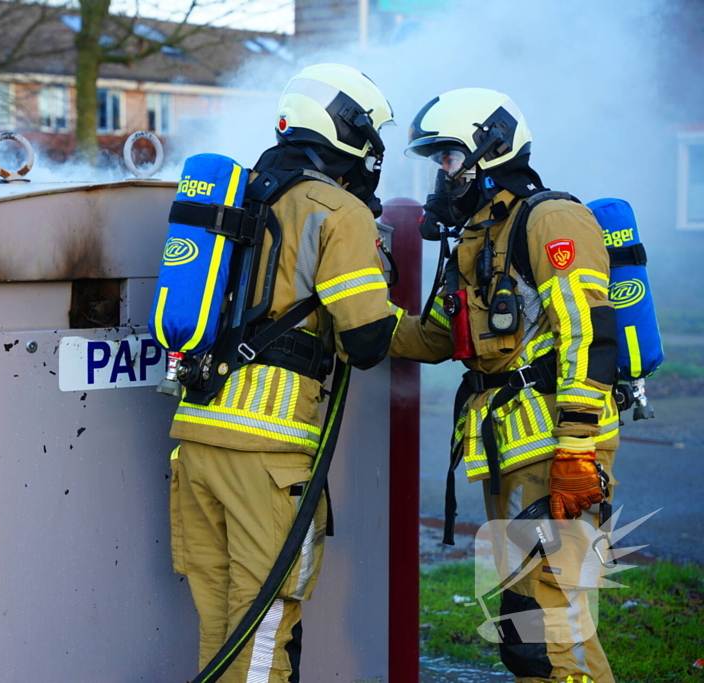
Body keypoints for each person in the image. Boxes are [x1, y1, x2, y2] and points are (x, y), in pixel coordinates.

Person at [168, 63, 402, 683]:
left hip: (195, 435)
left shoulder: (241, 191)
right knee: (265, 628)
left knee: (221, 629)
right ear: (348, 133)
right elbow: (368, 339)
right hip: (266, 452)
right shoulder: (337, 211)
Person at [391, 88, 619, 683]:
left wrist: (576, 449)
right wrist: (359, 315)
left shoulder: (550, 220)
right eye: (437, 161)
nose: (442, 174)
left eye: (449, 157)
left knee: (545, 631)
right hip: (510, 450)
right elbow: (436, 338)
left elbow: (587, 337)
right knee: (535, 626)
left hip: (557, 449)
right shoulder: (478, 237)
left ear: (489, 150)